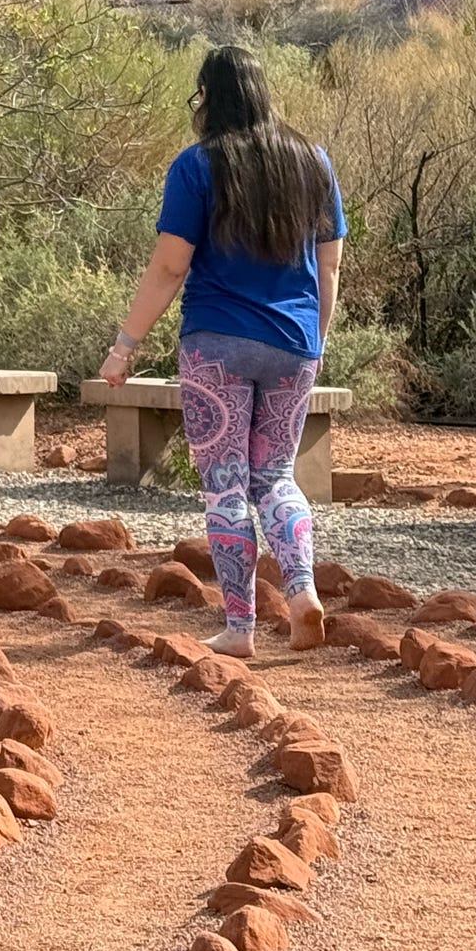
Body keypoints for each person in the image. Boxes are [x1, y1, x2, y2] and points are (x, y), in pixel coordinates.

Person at [98, 43, 344, 660]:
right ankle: (303, 591)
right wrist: (317, 337)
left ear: (208, 96)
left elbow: (168, 265)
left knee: (227, 488)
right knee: (278, 478)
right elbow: (330, 262)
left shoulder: (196, 165)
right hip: (294, 343)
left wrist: (125, 346)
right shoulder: (313, 162)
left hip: (216, 346)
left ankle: (240, 628)